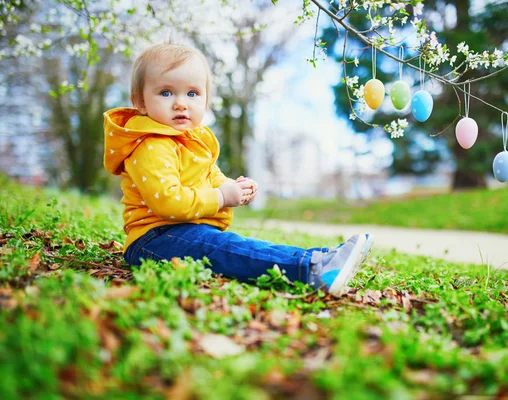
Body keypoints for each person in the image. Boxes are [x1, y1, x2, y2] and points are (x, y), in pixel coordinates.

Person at [103, 43, 374, 297]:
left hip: (181, 231)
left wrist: (236, 188)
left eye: (192, 93)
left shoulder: (192, 142)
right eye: (166, 92)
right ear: (140, 101)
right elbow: (169, 201)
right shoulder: (151, 145)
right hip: (154, 240)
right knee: (230, 249)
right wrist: (222, 197)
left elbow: (211, 176)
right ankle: (313, 269)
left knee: (233, 246)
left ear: (205, 99)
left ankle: (320, 257)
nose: (181, 103)